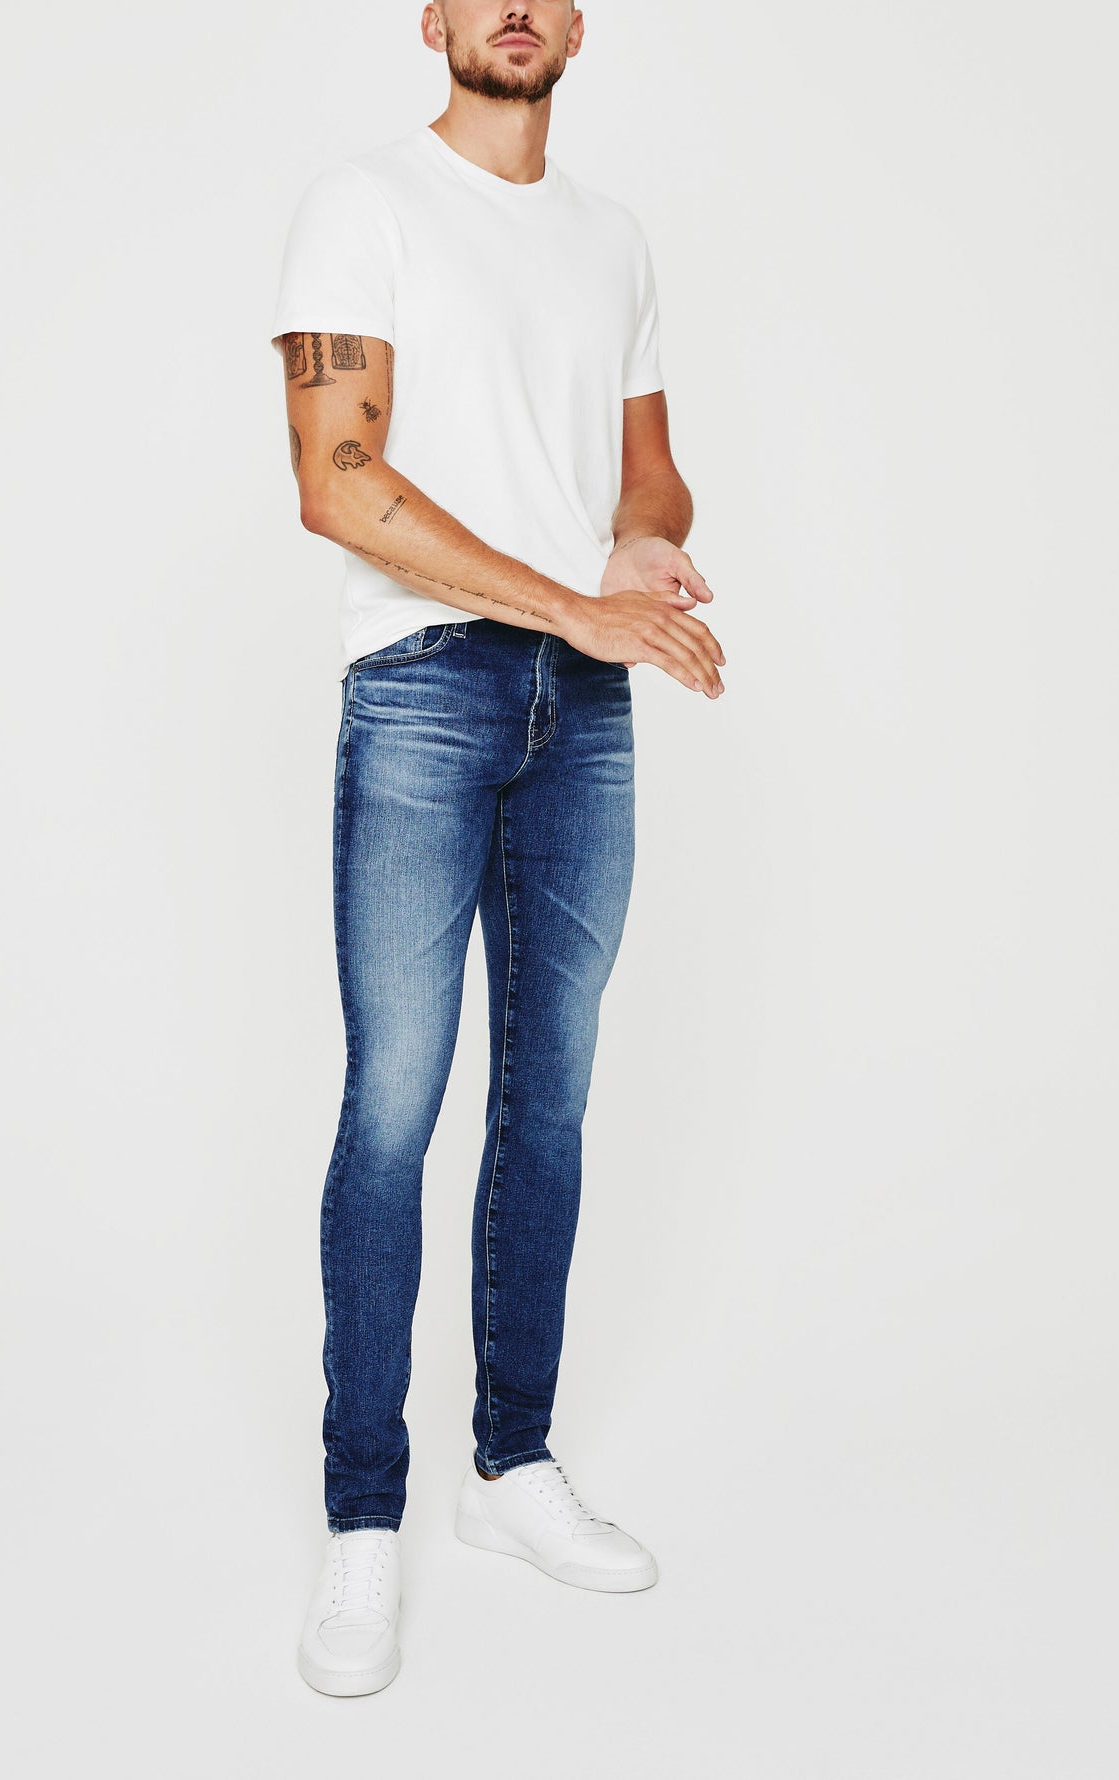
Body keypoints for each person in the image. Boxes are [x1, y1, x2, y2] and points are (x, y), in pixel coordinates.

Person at [269, 1, 725, 1697]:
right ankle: (362, 1515)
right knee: (395, 1102)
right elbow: (337, 482)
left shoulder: (614, 239)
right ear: (436, 19)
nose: (514, 5)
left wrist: (639, 549)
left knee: (550, 1099)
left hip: (579, 711)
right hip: (421, 687)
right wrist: (567, 606)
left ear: (576, 24)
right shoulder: (363, 204)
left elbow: (650, 475)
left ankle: (509, 1467)